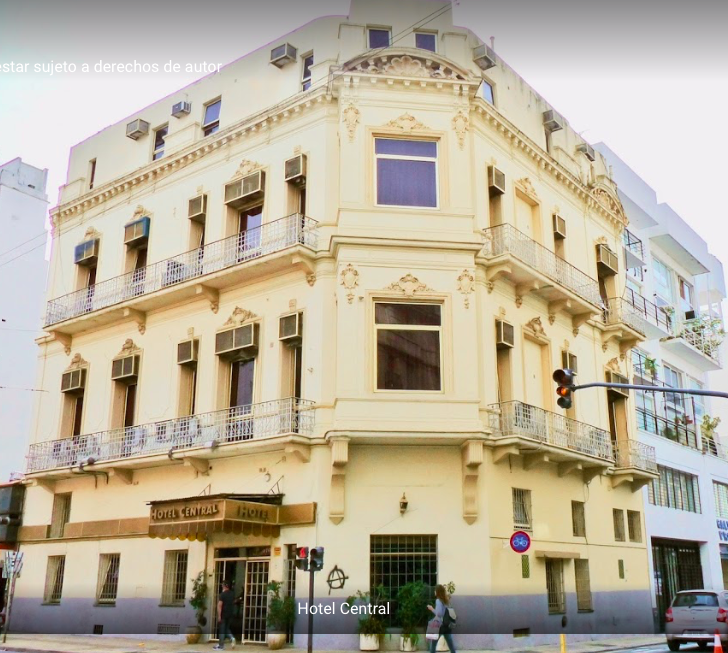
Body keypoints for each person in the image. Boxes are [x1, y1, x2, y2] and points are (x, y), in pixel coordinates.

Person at [427, 584, 456, 653]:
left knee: (433, 644)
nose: (434, 591)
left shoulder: (438, 601)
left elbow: (439, 614)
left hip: (440, 626)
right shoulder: (446, 600)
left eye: (435, 590)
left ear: (437, 592)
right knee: (451, 645)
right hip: (447, 625)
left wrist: (431, 609)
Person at [213, 580, 236, 650]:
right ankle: (232, 638)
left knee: (222, 630)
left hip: (223, 614)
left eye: (222, 585)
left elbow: (219, 605)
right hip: (230, 614)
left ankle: (221, 646)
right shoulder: (232, 594)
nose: (221, 586)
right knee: (226, 629)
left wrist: (219, 616)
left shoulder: (222, 595)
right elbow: (233, 602)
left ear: (225, 586)